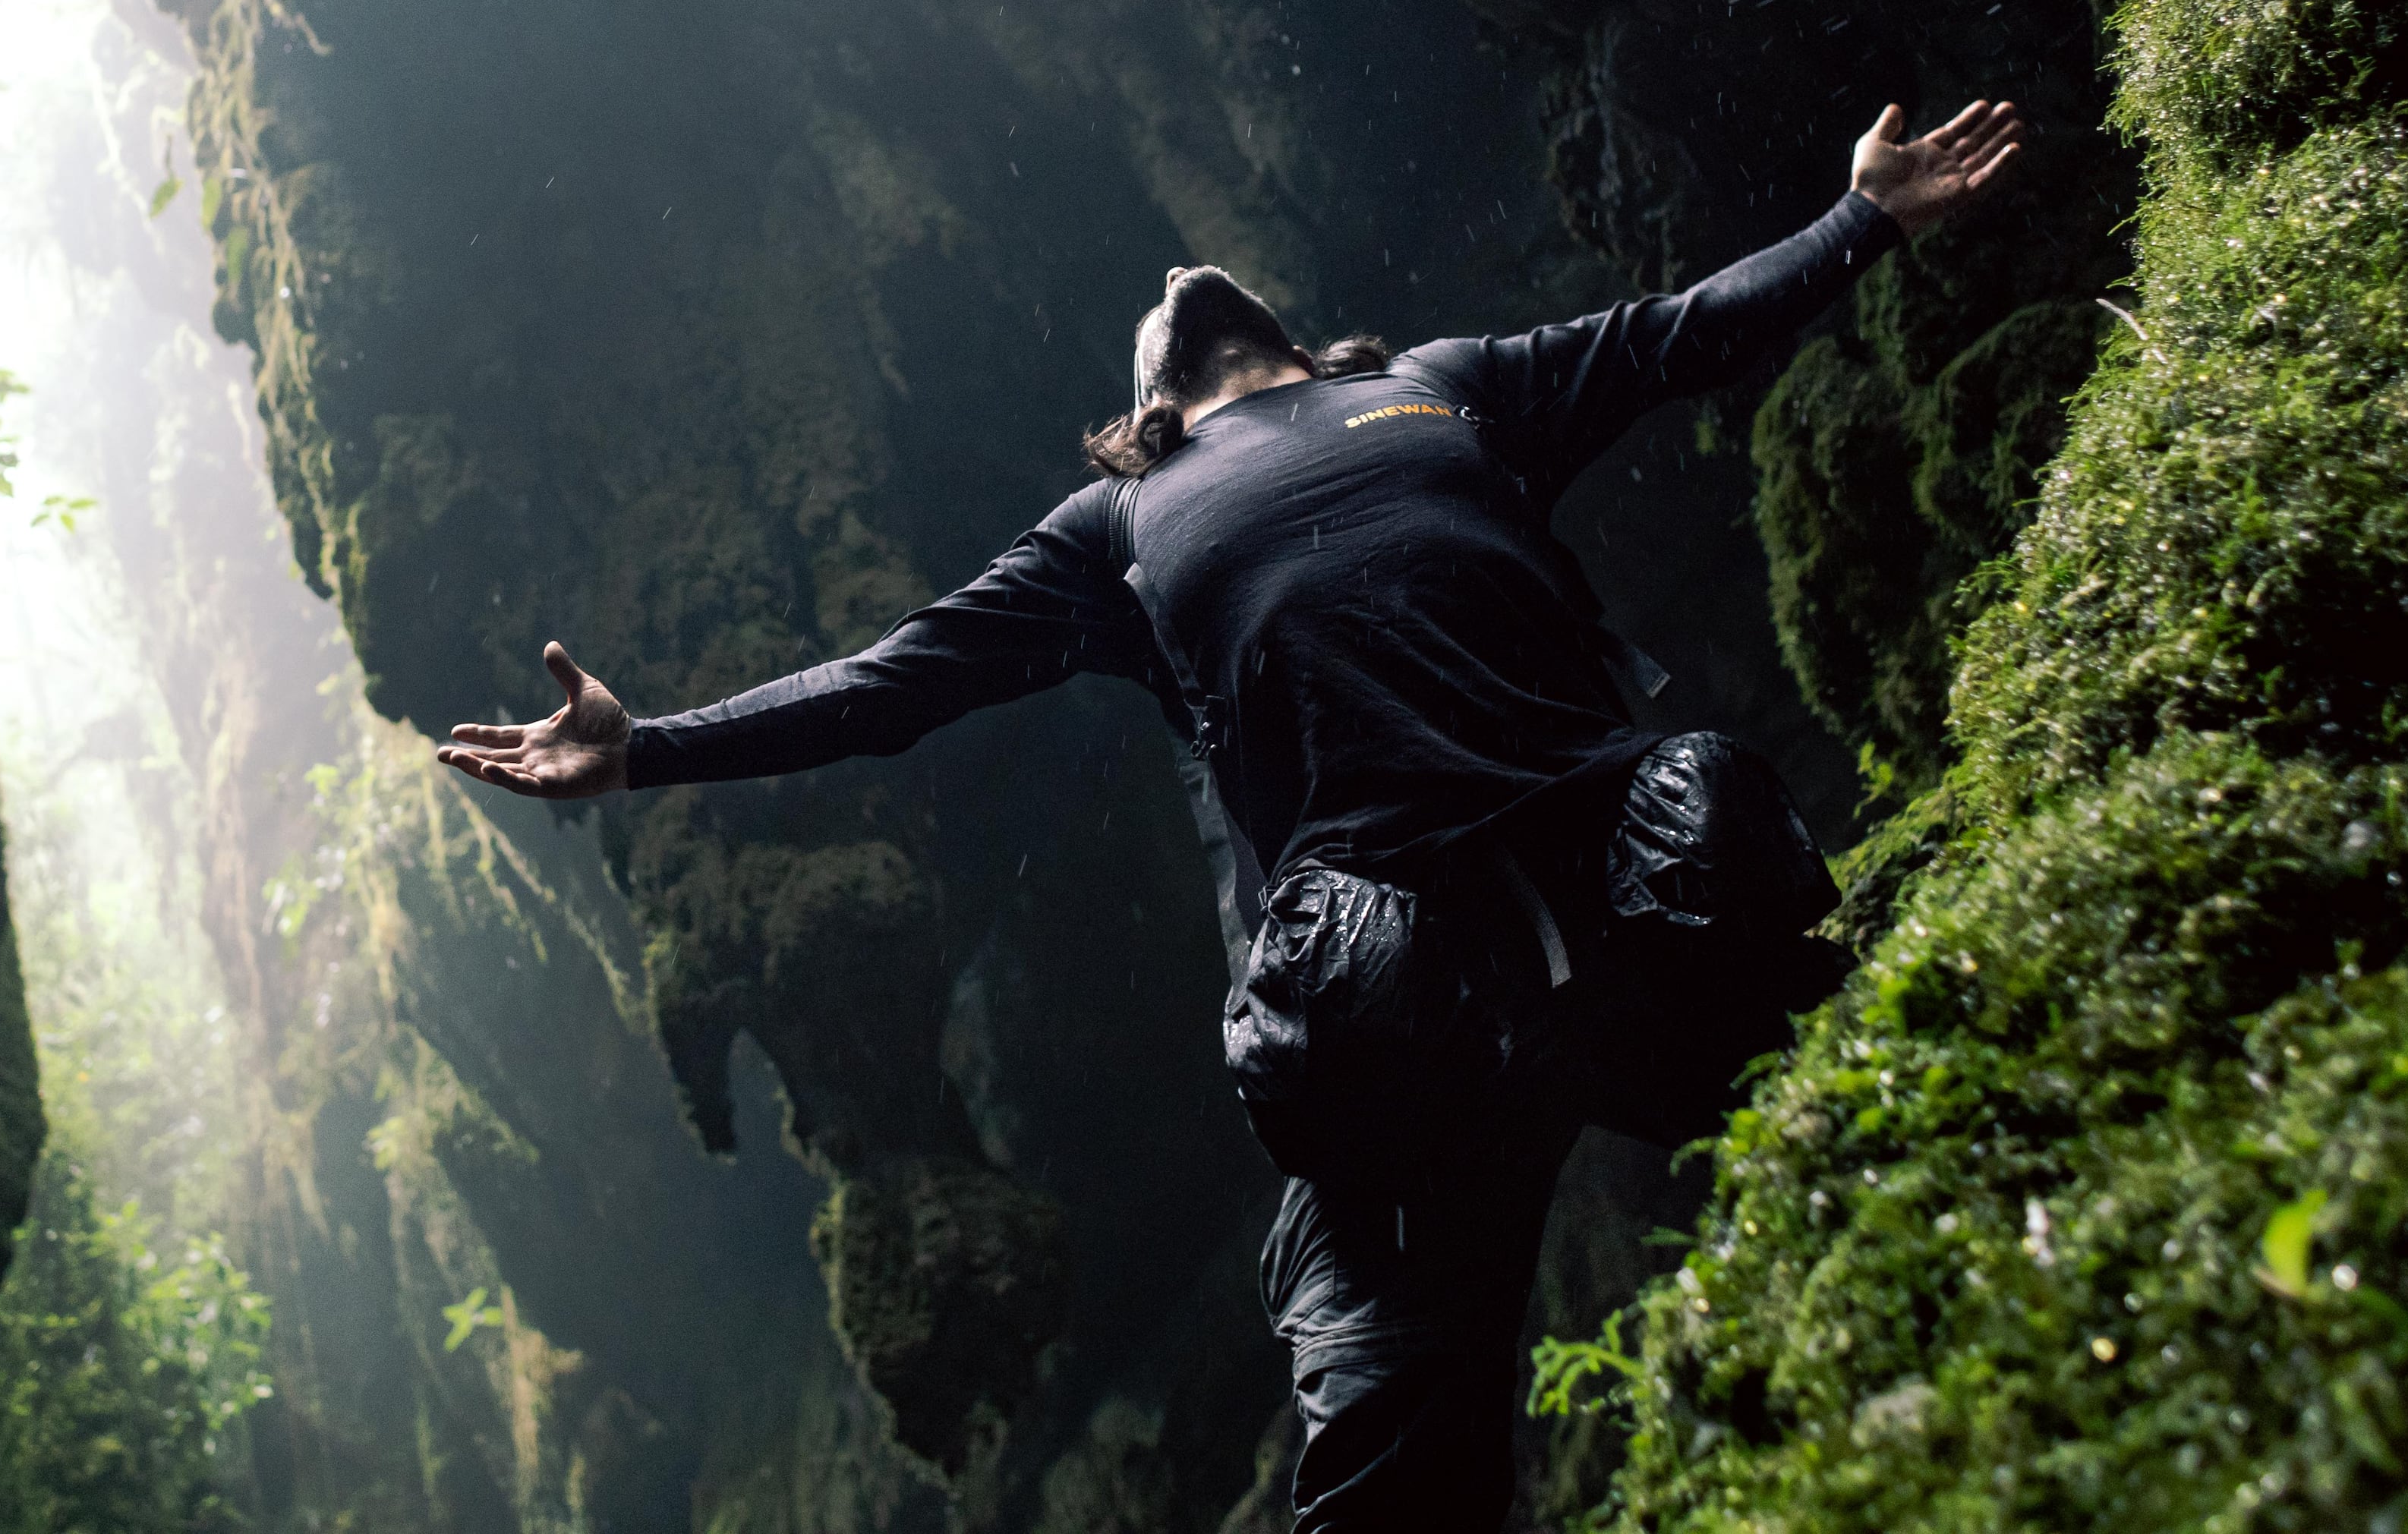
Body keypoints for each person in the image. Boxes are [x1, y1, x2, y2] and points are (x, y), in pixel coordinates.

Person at [440, 99, 2025, 1528]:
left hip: (1627, 890)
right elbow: (895, 680)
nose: (1174, 281)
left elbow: (1674, 335)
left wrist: (1861, 217)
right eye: (1151, 324)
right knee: (1392, 1451)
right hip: (1391, 1009)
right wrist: (646, 748)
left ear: (1311, 343)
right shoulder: (1115, 525)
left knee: (1745, 863)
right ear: (1143, 413)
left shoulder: (1440, 386)